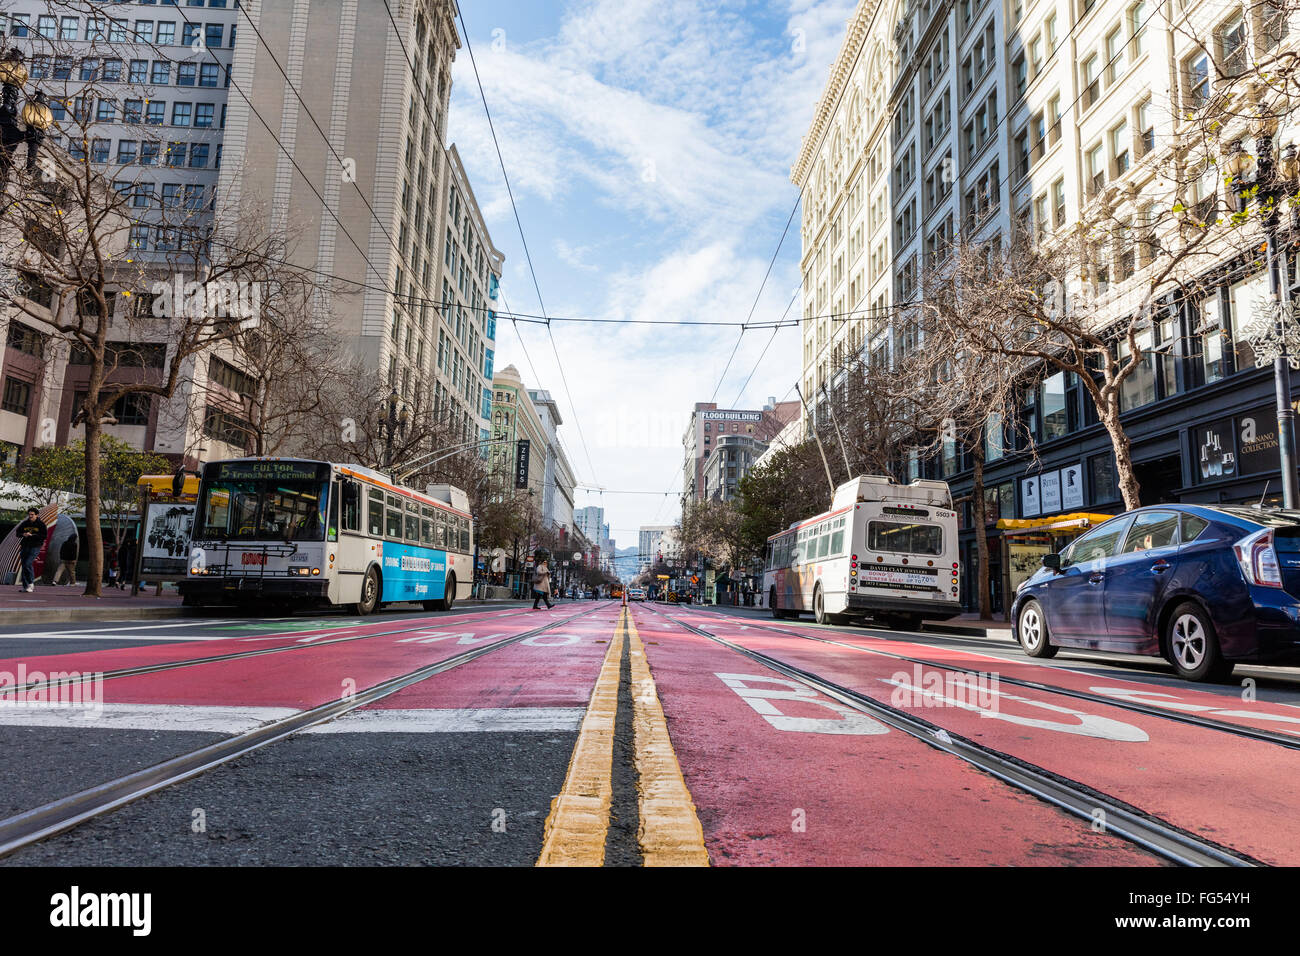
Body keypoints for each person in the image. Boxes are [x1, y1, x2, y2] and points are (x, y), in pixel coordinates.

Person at [15, 508, 47, 593]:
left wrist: (32, 535)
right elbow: (17, 533)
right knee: (24, 566)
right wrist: (23, 534)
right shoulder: (25, 523)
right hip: (25, 546)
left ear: (37, 515)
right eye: (29, 514)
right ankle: (26, 587)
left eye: (32, 514)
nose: (30, 516)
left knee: (28, 563)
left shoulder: (41, 524)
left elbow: (44, 536)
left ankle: (30, 583)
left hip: (35, 546)